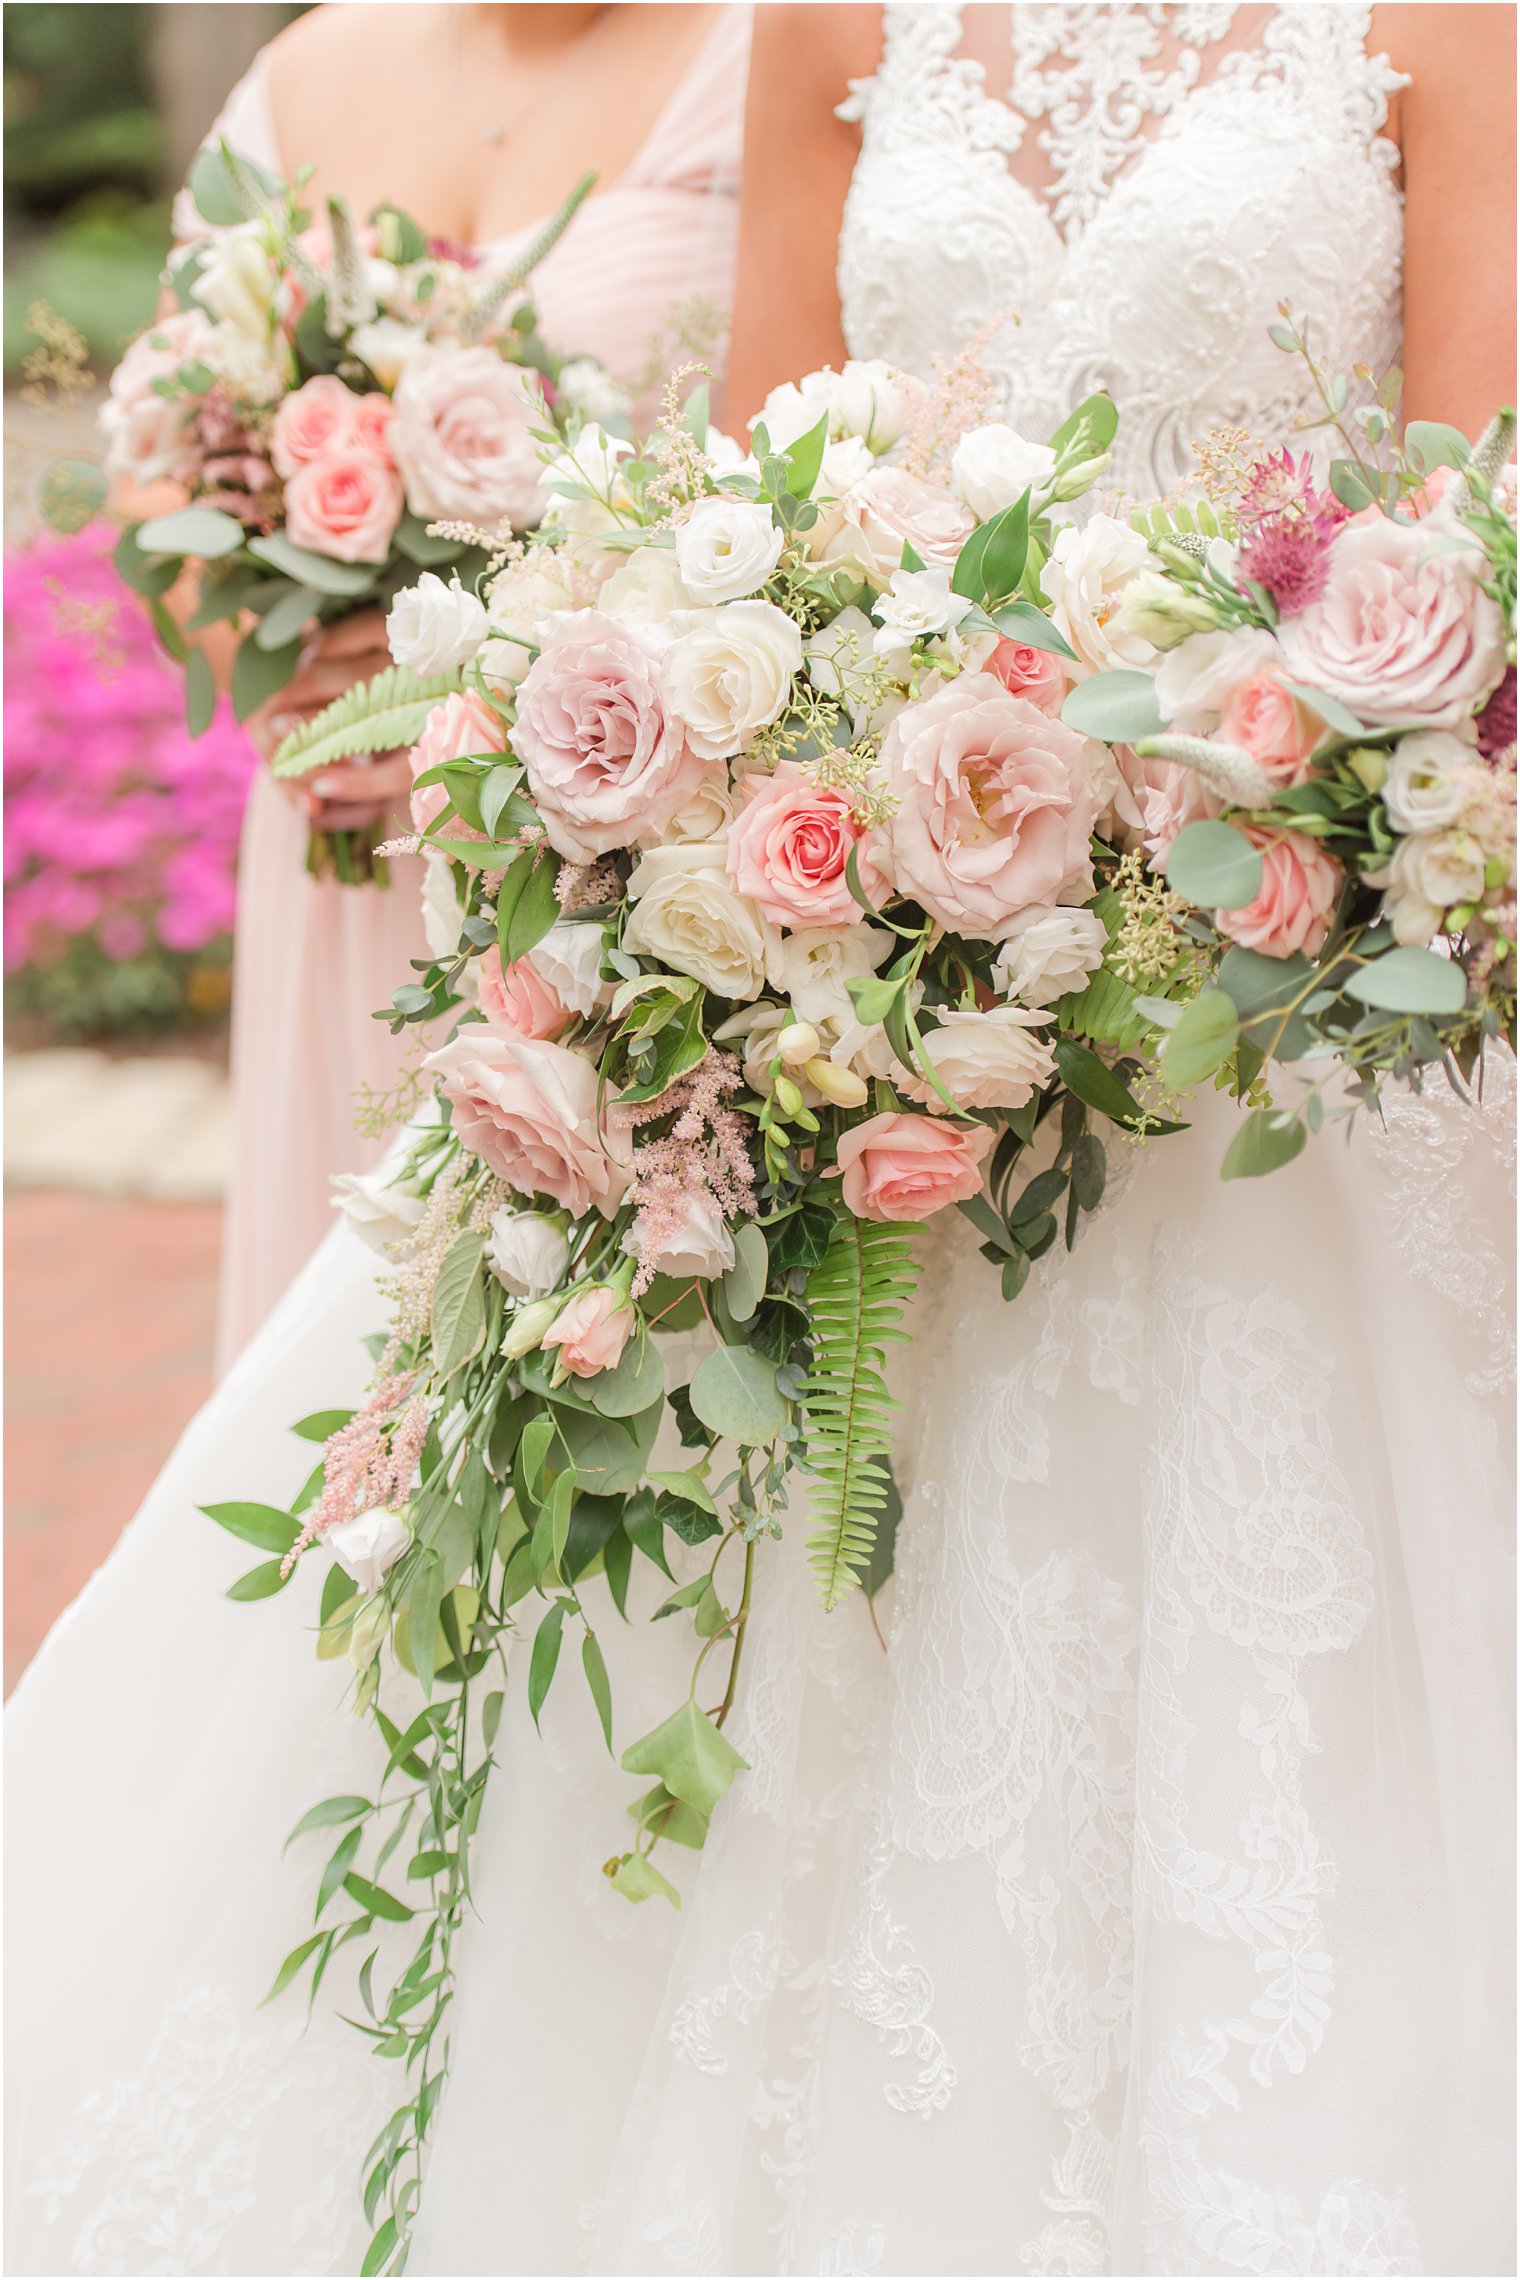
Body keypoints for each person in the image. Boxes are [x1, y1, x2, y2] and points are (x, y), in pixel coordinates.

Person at [5, 8, 1514, 2275]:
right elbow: (747, 495)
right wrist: (793, 822)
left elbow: (1472, 525)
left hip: (1270, 1024)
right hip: (877, 992)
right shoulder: (841, 12)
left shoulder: (1440, 19)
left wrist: (1184, 808)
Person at [181, 1, 749, 1369]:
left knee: (584, 1348)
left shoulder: (762, 52)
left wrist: (477, 668)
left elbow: (799, 456)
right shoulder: (300, 74)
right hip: (341, 828)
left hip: (595, 845)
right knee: (330, 1371)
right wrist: (275, 674)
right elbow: (165, 438)